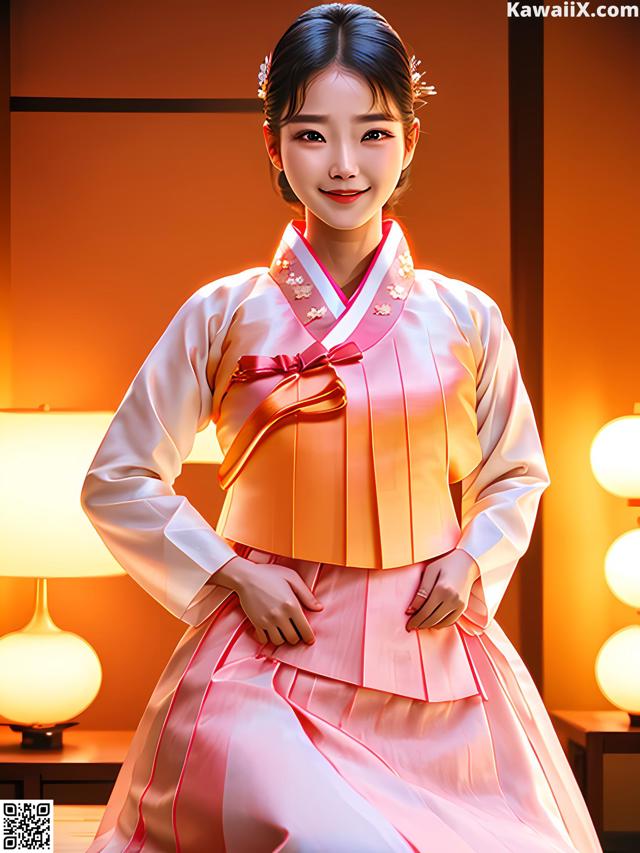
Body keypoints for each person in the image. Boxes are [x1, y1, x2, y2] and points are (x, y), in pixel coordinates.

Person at [81, 4, 602, 851]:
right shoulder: (224, 312)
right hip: (263, 658)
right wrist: (231, 573)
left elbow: (515, 471)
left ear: (411, 140)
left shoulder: (465, 318)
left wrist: (471, 555)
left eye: (373, 133)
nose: (346, 165)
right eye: (312, 135)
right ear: (273, 146)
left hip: (431, 662)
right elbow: (118, 478)